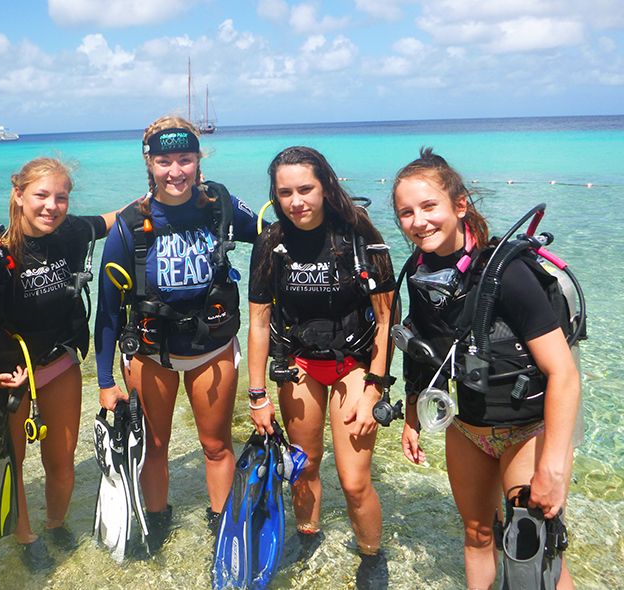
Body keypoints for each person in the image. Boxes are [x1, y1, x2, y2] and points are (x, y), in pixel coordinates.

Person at [392, 147, 578, 589]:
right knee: (476, 534)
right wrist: (414, 415)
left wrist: (552, 464)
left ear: (460, 206)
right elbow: (420, 345)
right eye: (405, 212)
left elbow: (564, 373)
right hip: (468, 428)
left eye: (429, 206)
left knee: (534, 549)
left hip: (527, 431)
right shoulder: (418, 272)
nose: (418, 221)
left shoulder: (506, 274)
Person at [94, 116, 258, 553]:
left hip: (213, 348)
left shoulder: (220, 205)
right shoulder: (129, 225)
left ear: (198, 160)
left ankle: (223, 524)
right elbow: (108, 312)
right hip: (151, 354)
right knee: (156, 446)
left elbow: (271, 237)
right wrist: (106, 382)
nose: (175, 171)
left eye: (185, 159)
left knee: (216, 444)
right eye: (164, 160)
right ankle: (157, 520)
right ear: (149, 163)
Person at [247, 146, 394, 587]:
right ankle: (307, 534)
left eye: (306, 189)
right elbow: (257, 322)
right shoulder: (271, 242)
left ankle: (371, 555)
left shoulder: (358, 233)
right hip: (298, 364)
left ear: (326, 186)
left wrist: (375, 386)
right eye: (285, 192)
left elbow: (386, 317)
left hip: (354, 365)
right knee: (304, 464)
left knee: (353, 481)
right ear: (274, 196)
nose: (297, 201)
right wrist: (257, 395)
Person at [0, 157, 116, 570]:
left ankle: (55, 523)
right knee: (16, 461)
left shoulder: (71, 232)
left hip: (59, 363)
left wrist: (166, 193)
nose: (51, 206)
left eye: (61, 197)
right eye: (41, 195)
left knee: (62, 456)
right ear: (18, 195)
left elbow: (118, 218)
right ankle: (26, 535)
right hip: (12, 374)